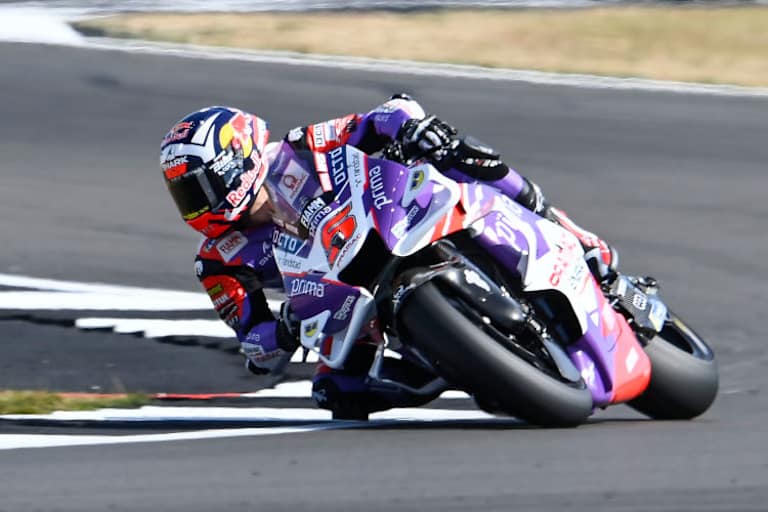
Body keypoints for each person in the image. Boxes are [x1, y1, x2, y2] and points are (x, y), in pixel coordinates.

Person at [159, 95, 618, 417]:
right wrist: (282, 329)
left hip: (395, 220)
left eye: (196, 190)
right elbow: (256, 348)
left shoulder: (302, 145)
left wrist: (412, 127)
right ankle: (460, 368)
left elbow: (378, 119)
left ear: (233, 164)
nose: (194, 206)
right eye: (184, 196)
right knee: (336, 392)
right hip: (346, 304)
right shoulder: (219, 261)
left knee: (454, 152)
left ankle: (565, 228)